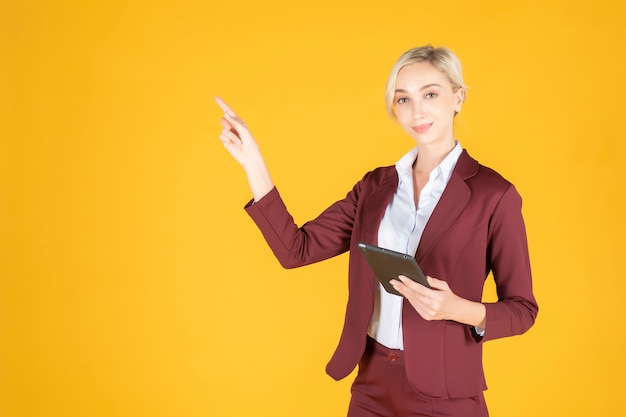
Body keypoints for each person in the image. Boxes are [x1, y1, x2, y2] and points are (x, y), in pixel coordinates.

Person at [215, 45, 538, 417]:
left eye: (430, 94)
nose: (417, 110)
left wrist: (458, 309)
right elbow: (296, 250)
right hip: (371, 384)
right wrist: (253, 162)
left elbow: (523, 311)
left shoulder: (493, 195)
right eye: (403, 99)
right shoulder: (375, 187)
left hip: (446, 394)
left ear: (458, 97)